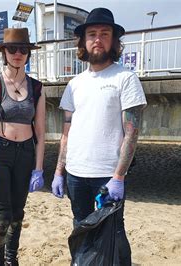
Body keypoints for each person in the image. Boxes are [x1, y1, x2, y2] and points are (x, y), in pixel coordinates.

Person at [51, 8, 147, 265]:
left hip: (107, 175)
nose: (97, 39)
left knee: (113, 232)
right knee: (81, 227)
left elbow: (132, 132)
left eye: (104, 34)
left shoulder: (126, 78)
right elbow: (67, 131)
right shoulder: (74, 84)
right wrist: (59, 171)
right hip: (75, 174)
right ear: (83, 41)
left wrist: (119, 177)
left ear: (114, 40)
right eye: (91, 34)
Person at [0, 27, 46, 266]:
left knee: (17, 214)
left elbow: (40, 131)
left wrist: (38, 168)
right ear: (4, 52)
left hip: (25, 154)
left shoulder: (37, 88)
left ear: (28, 53)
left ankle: (11, 260)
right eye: (12, 49)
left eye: (23, 49)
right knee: (2, 216)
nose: (17, 53)